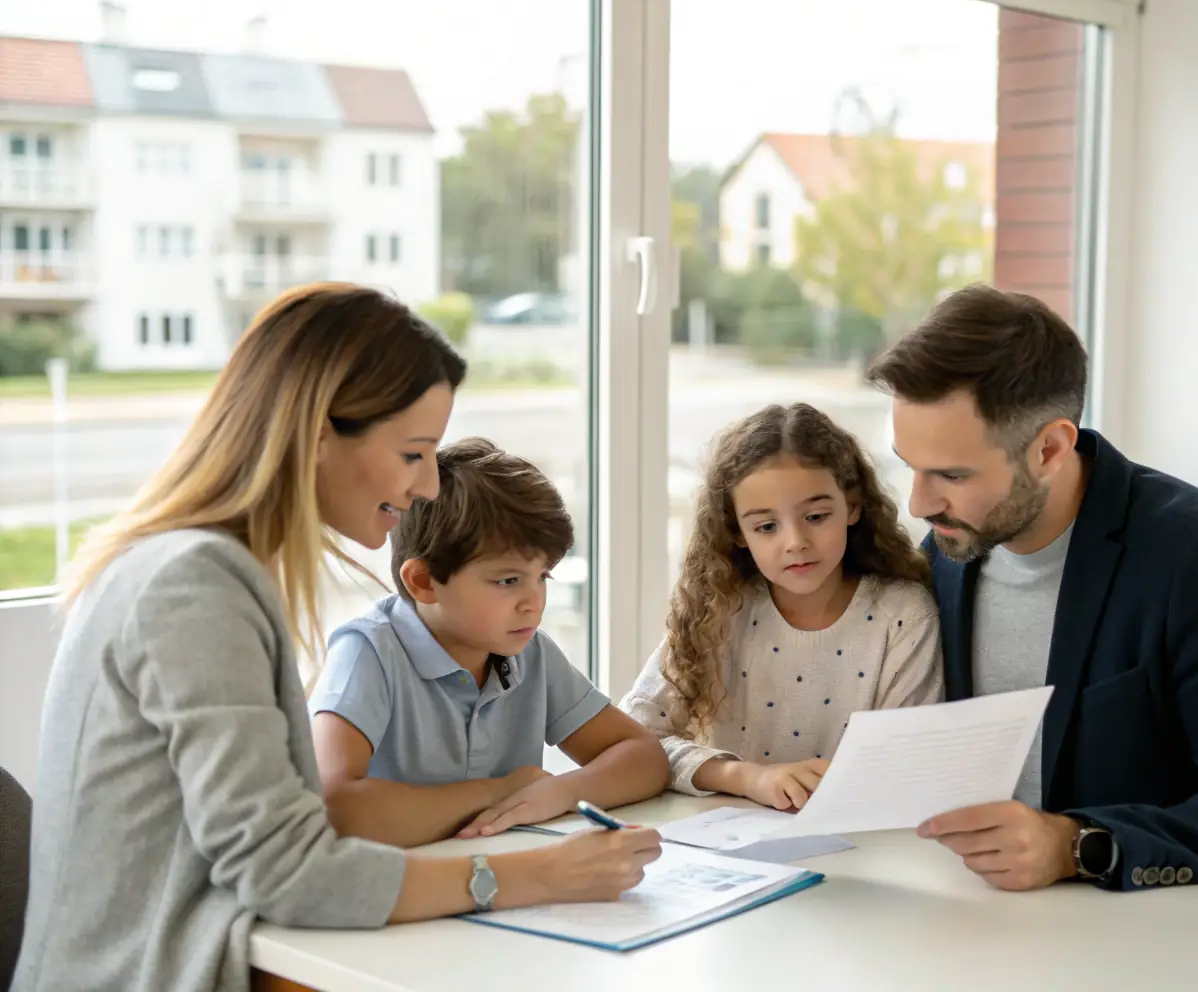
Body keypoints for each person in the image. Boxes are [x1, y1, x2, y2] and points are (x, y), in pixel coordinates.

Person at [12, 283, 662, 992]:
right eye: (414, 453)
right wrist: (531, 874)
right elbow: (287, 871)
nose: (426, 489)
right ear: (319, 434)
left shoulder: (197, 568)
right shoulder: (193, 587)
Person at [868, 284, 1198, 908]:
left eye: (952, 475)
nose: (919, 504)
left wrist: (1074, 844)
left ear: (1049, 450)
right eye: (911, 466)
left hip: (1174, 934)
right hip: (1000, 923)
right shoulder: (949, 551)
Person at [309, 437, 670, 847]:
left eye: (543, 577)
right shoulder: (368, 653)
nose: (534, 602)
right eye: (508, 580)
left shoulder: (530, 653)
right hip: (398, 891)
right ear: (424, 582)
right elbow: (335, 807)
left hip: (502, 878)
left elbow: (644, 757)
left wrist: (563, 791)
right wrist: (500, 791)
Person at [622, 402, 943, 810]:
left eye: (816, 516)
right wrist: (746, 777)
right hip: (728, 848)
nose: (795, 542)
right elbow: (633, 741)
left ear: (854, 507)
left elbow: (907, 766)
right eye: (766, 526)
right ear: (736, 532)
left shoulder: (903, 616)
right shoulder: (718, 608)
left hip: (866, 840)